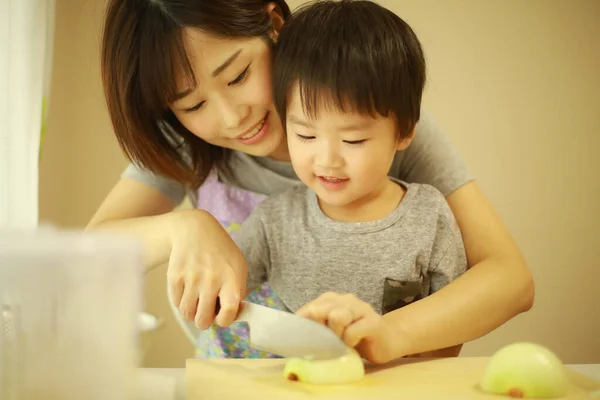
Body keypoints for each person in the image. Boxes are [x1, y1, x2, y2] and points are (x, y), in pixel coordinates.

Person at [88, 0, 534, 359]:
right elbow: (91, 251)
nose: (231, 116)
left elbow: (509, 278)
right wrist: (183, 227)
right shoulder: (186, 144)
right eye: (192, 105)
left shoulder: (373, 119)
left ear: (274, 22)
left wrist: (387, 334)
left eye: (238, 75)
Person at [230, 0, 468, 363]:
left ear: (404, 132)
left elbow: (451, 335)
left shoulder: (428, 216)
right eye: (305, 136)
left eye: (353, 140)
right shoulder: (274, 221)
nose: (327, 159)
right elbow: (223, 291)